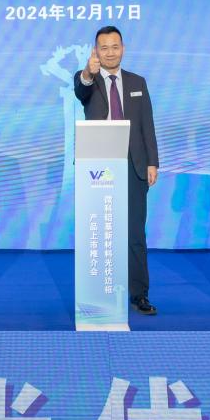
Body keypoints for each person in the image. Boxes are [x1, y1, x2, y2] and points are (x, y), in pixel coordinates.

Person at [74, 25, 160, 314]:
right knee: (98, 230)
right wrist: (88, 73)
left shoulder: (137, 82)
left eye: (115, 47)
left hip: (133, 165)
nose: (110, 53)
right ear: (96, 51)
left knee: (135, 232)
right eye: (104, 48)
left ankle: (139, 294)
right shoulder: (89, 79)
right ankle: (98, 289)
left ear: (123, 48)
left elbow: (147, 123)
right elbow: (81, 89)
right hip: (97, 167)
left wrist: (152, 161)